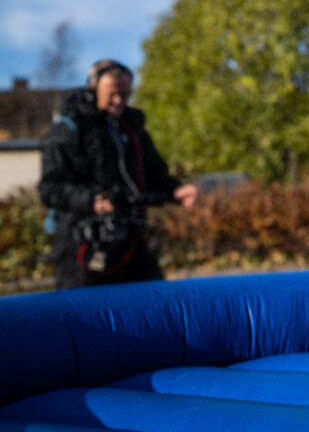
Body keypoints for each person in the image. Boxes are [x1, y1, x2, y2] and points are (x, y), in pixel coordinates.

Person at [39, 59, 198, 289]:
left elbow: (153, 172)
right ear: (93, 89)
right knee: (84, 311)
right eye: (112, 94)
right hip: (83, 241)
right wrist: (94, 201)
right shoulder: (70, 128)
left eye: (125, 95)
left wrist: (176, 190)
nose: (119, 101)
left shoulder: (131, 127)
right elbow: (50, 188)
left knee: (152, 299)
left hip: (128, 236)